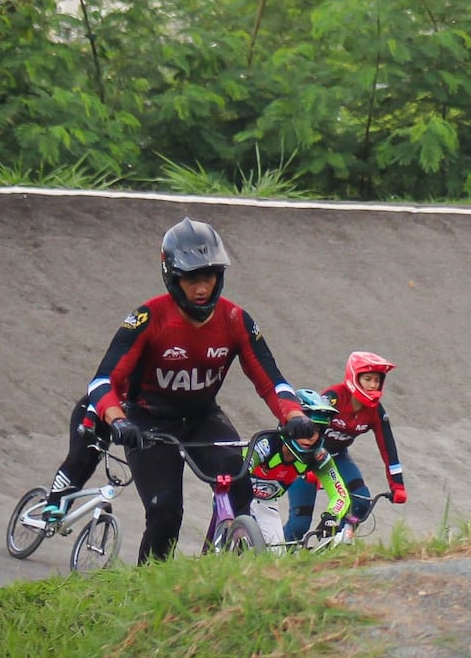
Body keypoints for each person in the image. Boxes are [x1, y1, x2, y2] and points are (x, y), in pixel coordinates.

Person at [87, 217, 315, 564]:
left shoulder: (236, 320)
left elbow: (273, 382)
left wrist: (294, 415)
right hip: (148, 421)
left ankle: (217, 566)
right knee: (165, 513)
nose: (202, 288)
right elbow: (102, 382)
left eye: (208, 276)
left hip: (201, 417)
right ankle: (149, 592)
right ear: (172, 277)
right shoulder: (148, 319)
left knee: (239, 484)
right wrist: (118, 420)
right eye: (192, 278)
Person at [284, 351, 407, 542]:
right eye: (368, 379)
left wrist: (397, 485)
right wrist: (309, 465)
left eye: (377, 380)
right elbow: (309, 431)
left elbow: (388, 449)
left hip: (338, 457)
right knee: (299, 525)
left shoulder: (376, 411)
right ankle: (279, 559)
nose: (373, 385)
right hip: (306, 458)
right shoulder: (332, 398)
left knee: (361, 502)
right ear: (354, 378)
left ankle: (336, 543)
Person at [247, 388, 353, 547]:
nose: (311, 436)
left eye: (316, 430)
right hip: (238, 497)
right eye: (305, 429)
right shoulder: (266, 445)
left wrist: (332, 516)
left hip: (267, 503)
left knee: (276, 557)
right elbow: (236, 472)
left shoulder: (319, 457)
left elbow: (340, 494)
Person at [40, 395, 111, 522]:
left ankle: (62, 511)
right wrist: (87, 424)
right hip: (88, 413)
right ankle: (51, 504)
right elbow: (99, 397)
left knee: (89, 467)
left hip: (106, 425)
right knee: (77, 457)